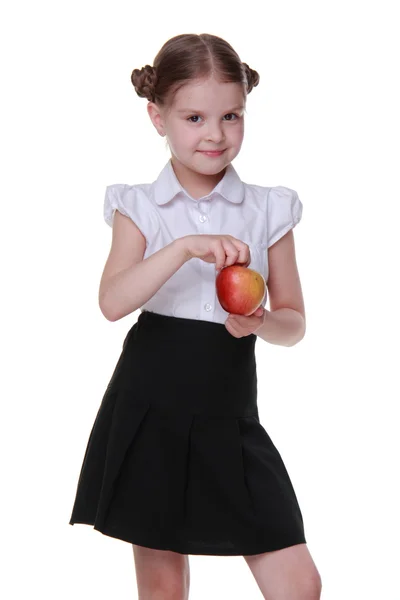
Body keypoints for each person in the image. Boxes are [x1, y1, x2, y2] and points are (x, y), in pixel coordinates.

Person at [69, 32, 322, 600]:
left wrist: (259, 322)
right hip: (150, 403)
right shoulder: (137, 205)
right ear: (157, 117)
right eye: (194, 117)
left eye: (230, 116)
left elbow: (294, 322)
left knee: (299, 583)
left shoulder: (269, 208)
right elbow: (112, 303)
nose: (215, 134)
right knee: (164, 589)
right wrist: (184, 246)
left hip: (230, 411)